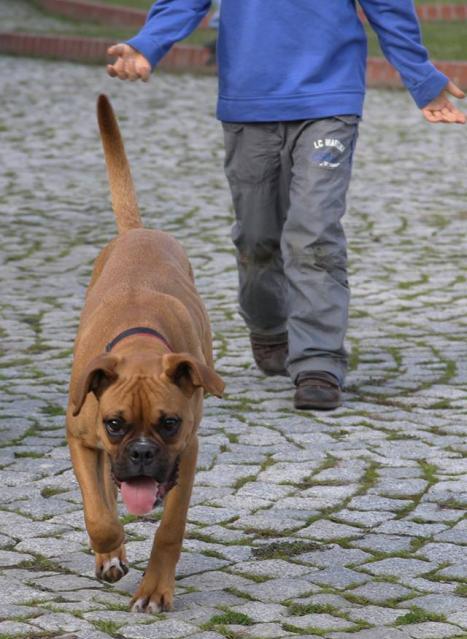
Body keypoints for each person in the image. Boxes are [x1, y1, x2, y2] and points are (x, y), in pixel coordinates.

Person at [107, 0, 465, 411]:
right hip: (249, 102)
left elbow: (388, 5)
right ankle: (270, 328)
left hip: (329, 101)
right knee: (257, 239)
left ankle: (319, 361)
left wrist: (421, 76)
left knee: (314, 234)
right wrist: (148, 44)